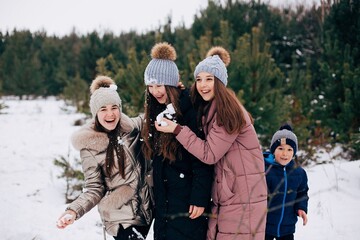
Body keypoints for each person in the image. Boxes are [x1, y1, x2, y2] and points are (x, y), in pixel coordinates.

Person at [155, 46, 267, 240]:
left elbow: (209, 154)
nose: (203, 85)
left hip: (243, 196)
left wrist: (177, 130)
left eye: (209, 79)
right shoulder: (212, 107)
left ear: (220, 83)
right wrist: (179, 92)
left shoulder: (229, 113)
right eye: (199, 80)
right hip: (231, 194)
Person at [56, 76, 153, 240]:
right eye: (103, 109)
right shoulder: (90, 147)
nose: (110, 114)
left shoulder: (133, 128)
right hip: (121, 215)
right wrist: (73, 211)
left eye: (114, 107)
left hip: (149, 206)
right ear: (95, 113)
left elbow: (156, 115)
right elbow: (94, 188)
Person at [141, 42, 213, 240]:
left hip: (187, 201)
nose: (155, 91)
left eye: (160, 85)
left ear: (171, 84)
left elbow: (202, 158)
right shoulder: (154, 111)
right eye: (151, 86)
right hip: (164, 202)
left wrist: (199, 198)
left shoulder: (188, 110)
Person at [263, 124, 309, 240]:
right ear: (273, 150)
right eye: (281, 148)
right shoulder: (265, 169)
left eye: (289, 149)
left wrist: (301, 208)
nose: (285, 154)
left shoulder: (298, 172)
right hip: (265, 226)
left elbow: (302, 193)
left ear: (294, 153)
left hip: (287, 227)